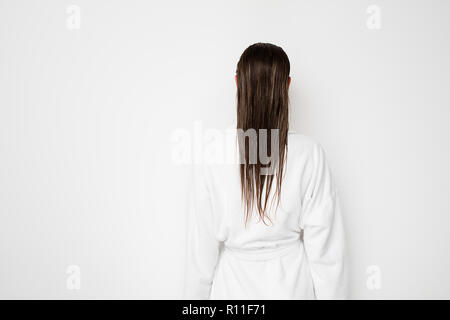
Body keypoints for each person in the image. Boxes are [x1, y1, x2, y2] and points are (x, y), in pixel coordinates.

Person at [183, 43, 348, 299]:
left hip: (232, 292)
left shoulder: (210, 153)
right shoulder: (309, 153)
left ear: (237, 82)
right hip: (292, 289)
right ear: (287, 85)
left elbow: (199, 257)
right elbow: (327, 257)